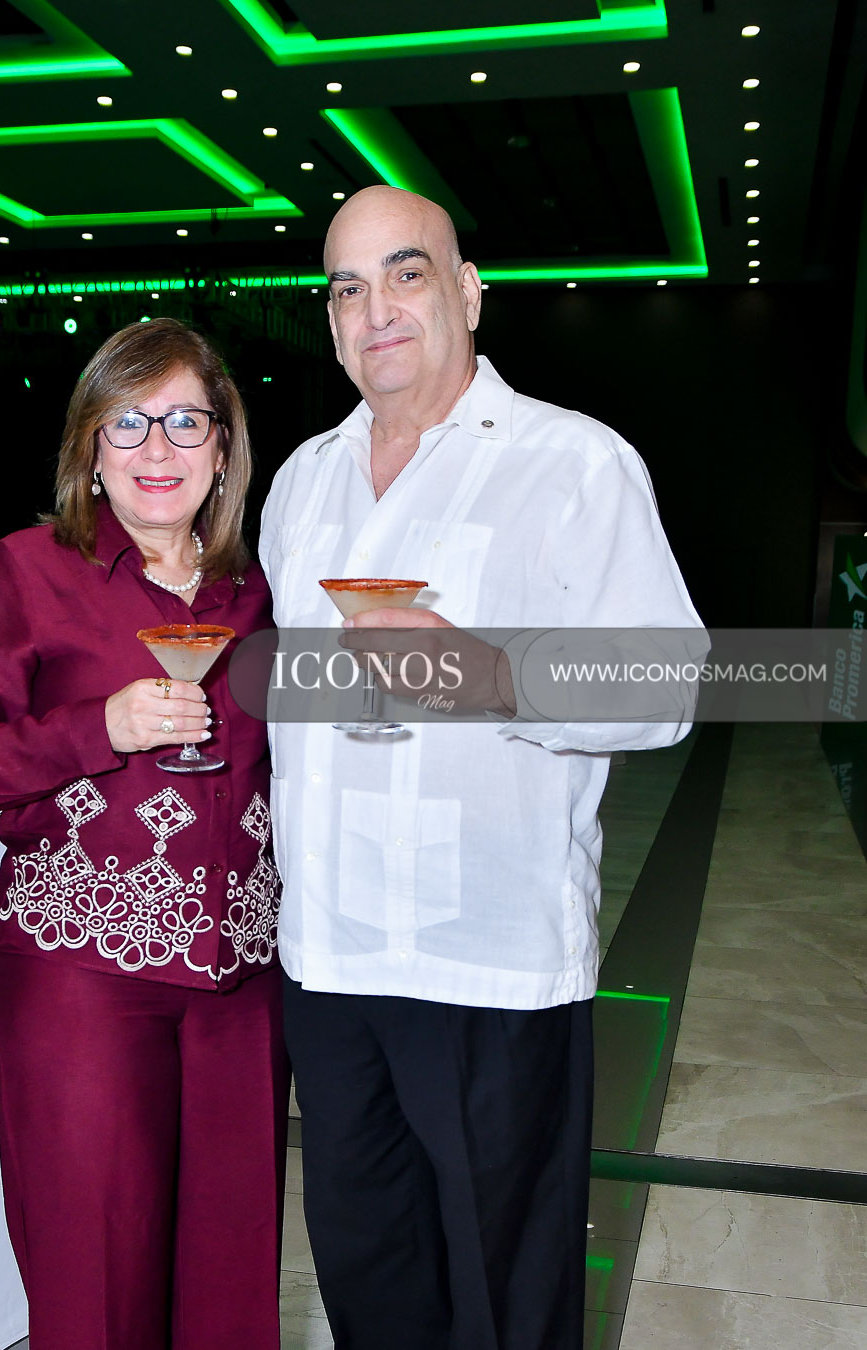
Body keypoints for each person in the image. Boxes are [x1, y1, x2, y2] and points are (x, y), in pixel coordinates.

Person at [259, 186, 704, 1350]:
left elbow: (668, 684)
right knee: (369, 1279)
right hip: (328, 958)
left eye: (405, 274)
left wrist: (493, 673)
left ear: (467, 292)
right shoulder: (303, 478)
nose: (376, 310)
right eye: (346, 288)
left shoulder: (574, 463)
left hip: (488, 966)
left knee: (507, 1300)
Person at [0, 318, 287, 1350]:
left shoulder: (262, 588)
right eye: (128, 422)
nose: (157, 448)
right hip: (82, 979)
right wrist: (99, 729)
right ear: (90, 446)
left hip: (243, 987)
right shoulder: (29, 569)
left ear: (223, 447)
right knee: (96, 1282)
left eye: (185, 421)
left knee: (230, 1287)